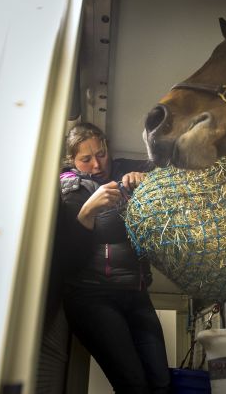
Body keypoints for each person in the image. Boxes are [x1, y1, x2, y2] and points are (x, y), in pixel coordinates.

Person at [56, 121, 170, 393]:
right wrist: (88, 212)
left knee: (163, 383)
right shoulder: (68, 189)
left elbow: (165, 169)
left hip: (136, 293)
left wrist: (145, 179)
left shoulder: (119, 167)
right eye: (86, 159)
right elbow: (69, 260)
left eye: (101, 154)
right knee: (134, 384)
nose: (97, 165)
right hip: (92, 297)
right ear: (72, 160)